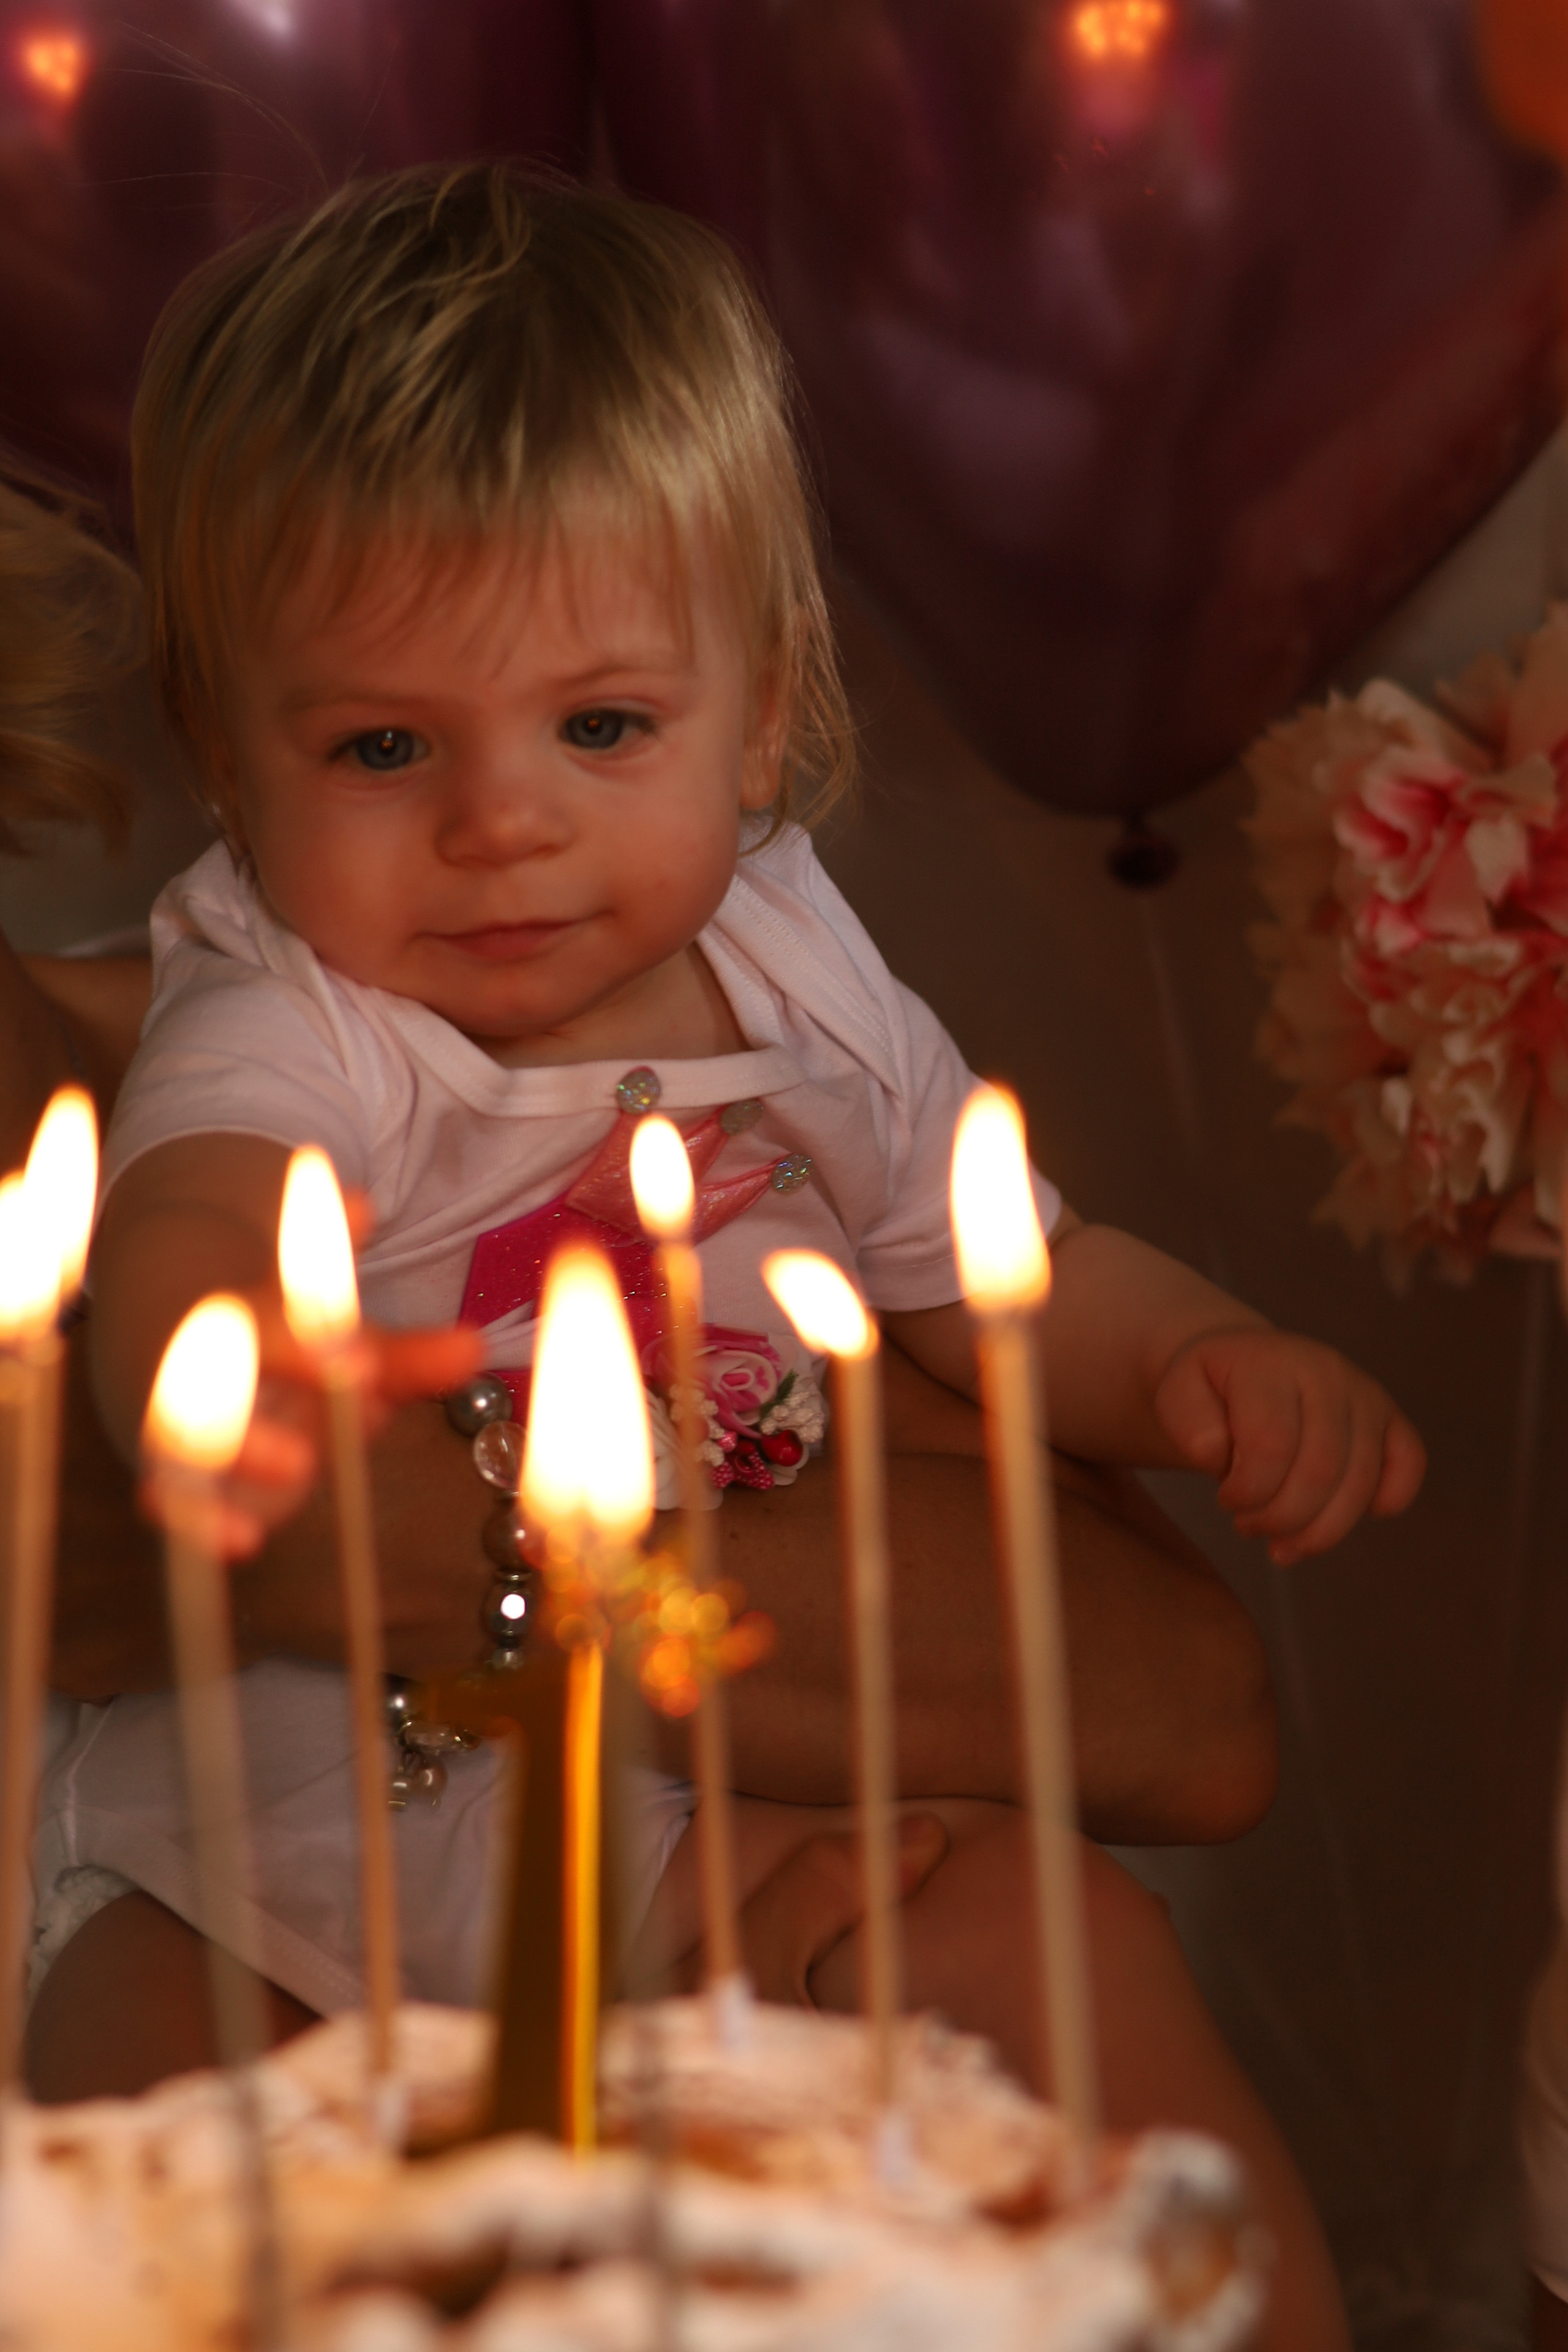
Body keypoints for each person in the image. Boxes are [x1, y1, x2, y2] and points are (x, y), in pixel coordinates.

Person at [24, 169, 1428, 2345]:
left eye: (601, 727)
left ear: (760, 713)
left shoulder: (791, 963)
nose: (505, 824)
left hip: (716, 1755)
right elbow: (199, 1213)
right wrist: (219, 1369)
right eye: (386, 747)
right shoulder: (295, 1009)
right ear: (231, 756)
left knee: (1059, 1955)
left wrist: (1207, 1362)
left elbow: (1002, 1272)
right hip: (339, 1819)